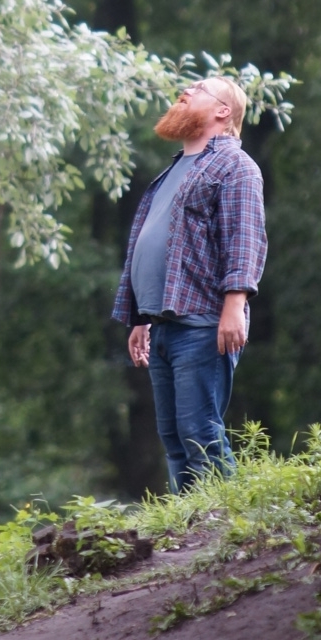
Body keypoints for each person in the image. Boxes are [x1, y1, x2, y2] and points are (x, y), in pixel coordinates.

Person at [111, 77, 266, 493]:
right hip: (162, 325)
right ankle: (190, 532)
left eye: (198, 88)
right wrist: (140, 318)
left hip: (202, 324)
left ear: (222, 111)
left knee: (200, 433)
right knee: (176, 441)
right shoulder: (175, 170)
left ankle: (229, 526)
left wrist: (235, 306)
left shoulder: (235, 166)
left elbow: (245, 237)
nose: (185, 91)